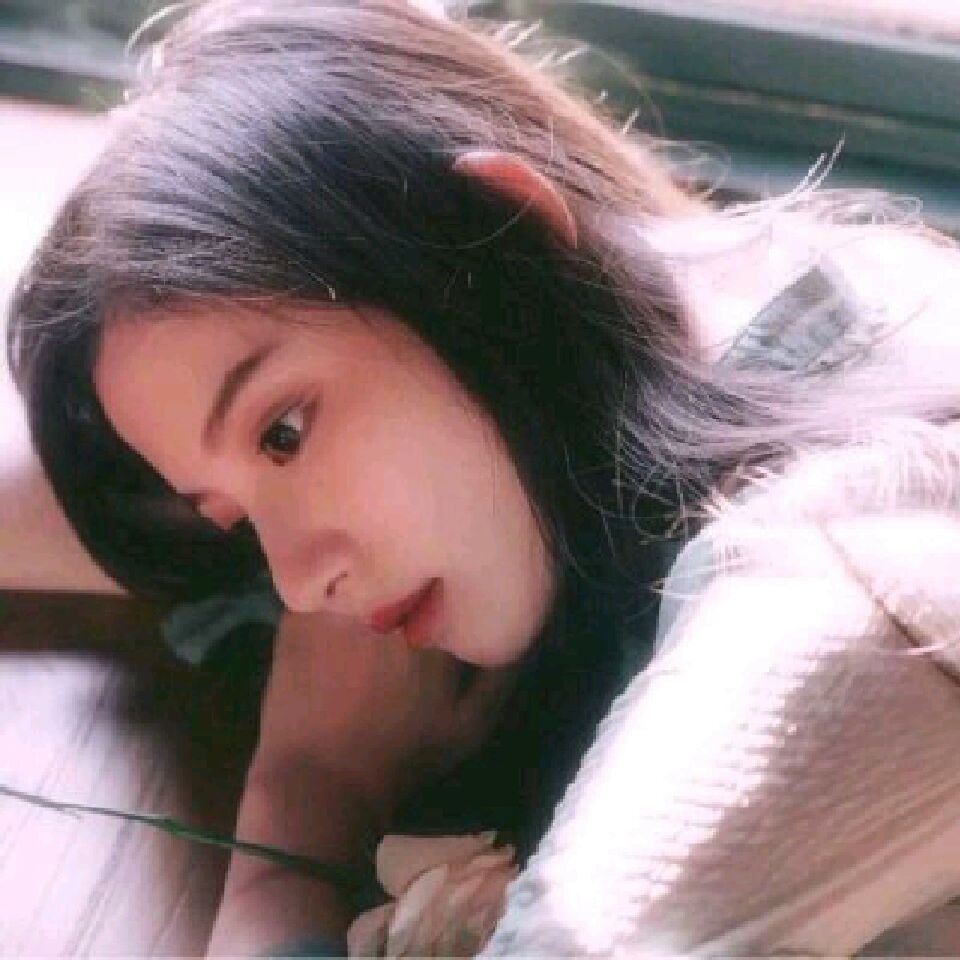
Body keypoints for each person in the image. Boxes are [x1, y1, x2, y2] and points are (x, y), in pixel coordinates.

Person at [8, 0, 960, 955]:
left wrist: (303, 804)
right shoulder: (693, 303)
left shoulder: (838, 580)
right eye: (236, 518)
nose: (299, 584)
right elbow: (111, 508)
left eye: (285, 434)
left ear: (494, 240)